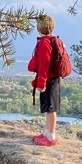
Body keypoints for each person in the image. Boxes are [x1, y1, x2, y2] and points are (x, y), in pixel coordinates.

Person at [27, 14, 60, 147]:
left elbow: (44, 65)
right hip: (52, 78)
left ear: (38, 28)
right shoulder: (49, 41)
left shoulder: (44, 43)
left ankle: (51, 137)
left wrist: (41, 83)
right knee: (47, 107)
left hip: (49, 80)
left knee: (51, 109)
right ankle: (46, 133)